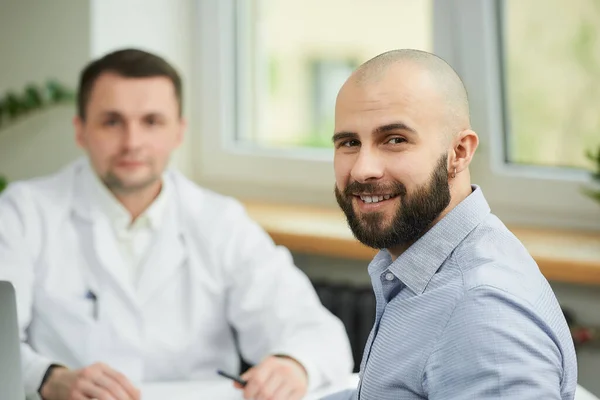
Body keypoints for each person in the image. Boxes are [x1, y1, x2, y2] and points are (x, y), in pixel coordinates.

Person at [0, 48, 353, 400]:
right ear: (80, 130)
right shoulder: (24, 212)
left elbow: (318, 334)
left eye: (151, 121)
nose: (132, 142)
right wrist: (46, 378)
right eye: (112, 121)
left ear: (178, 132)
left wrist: (292, 364)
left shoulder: (220, 221)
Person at [325, 49, 577, 399]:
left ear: (459, 152)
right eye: (350, 143)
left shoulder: (482, 313)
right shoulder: (419, 268)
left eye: (395, 139)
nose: (363, 168)